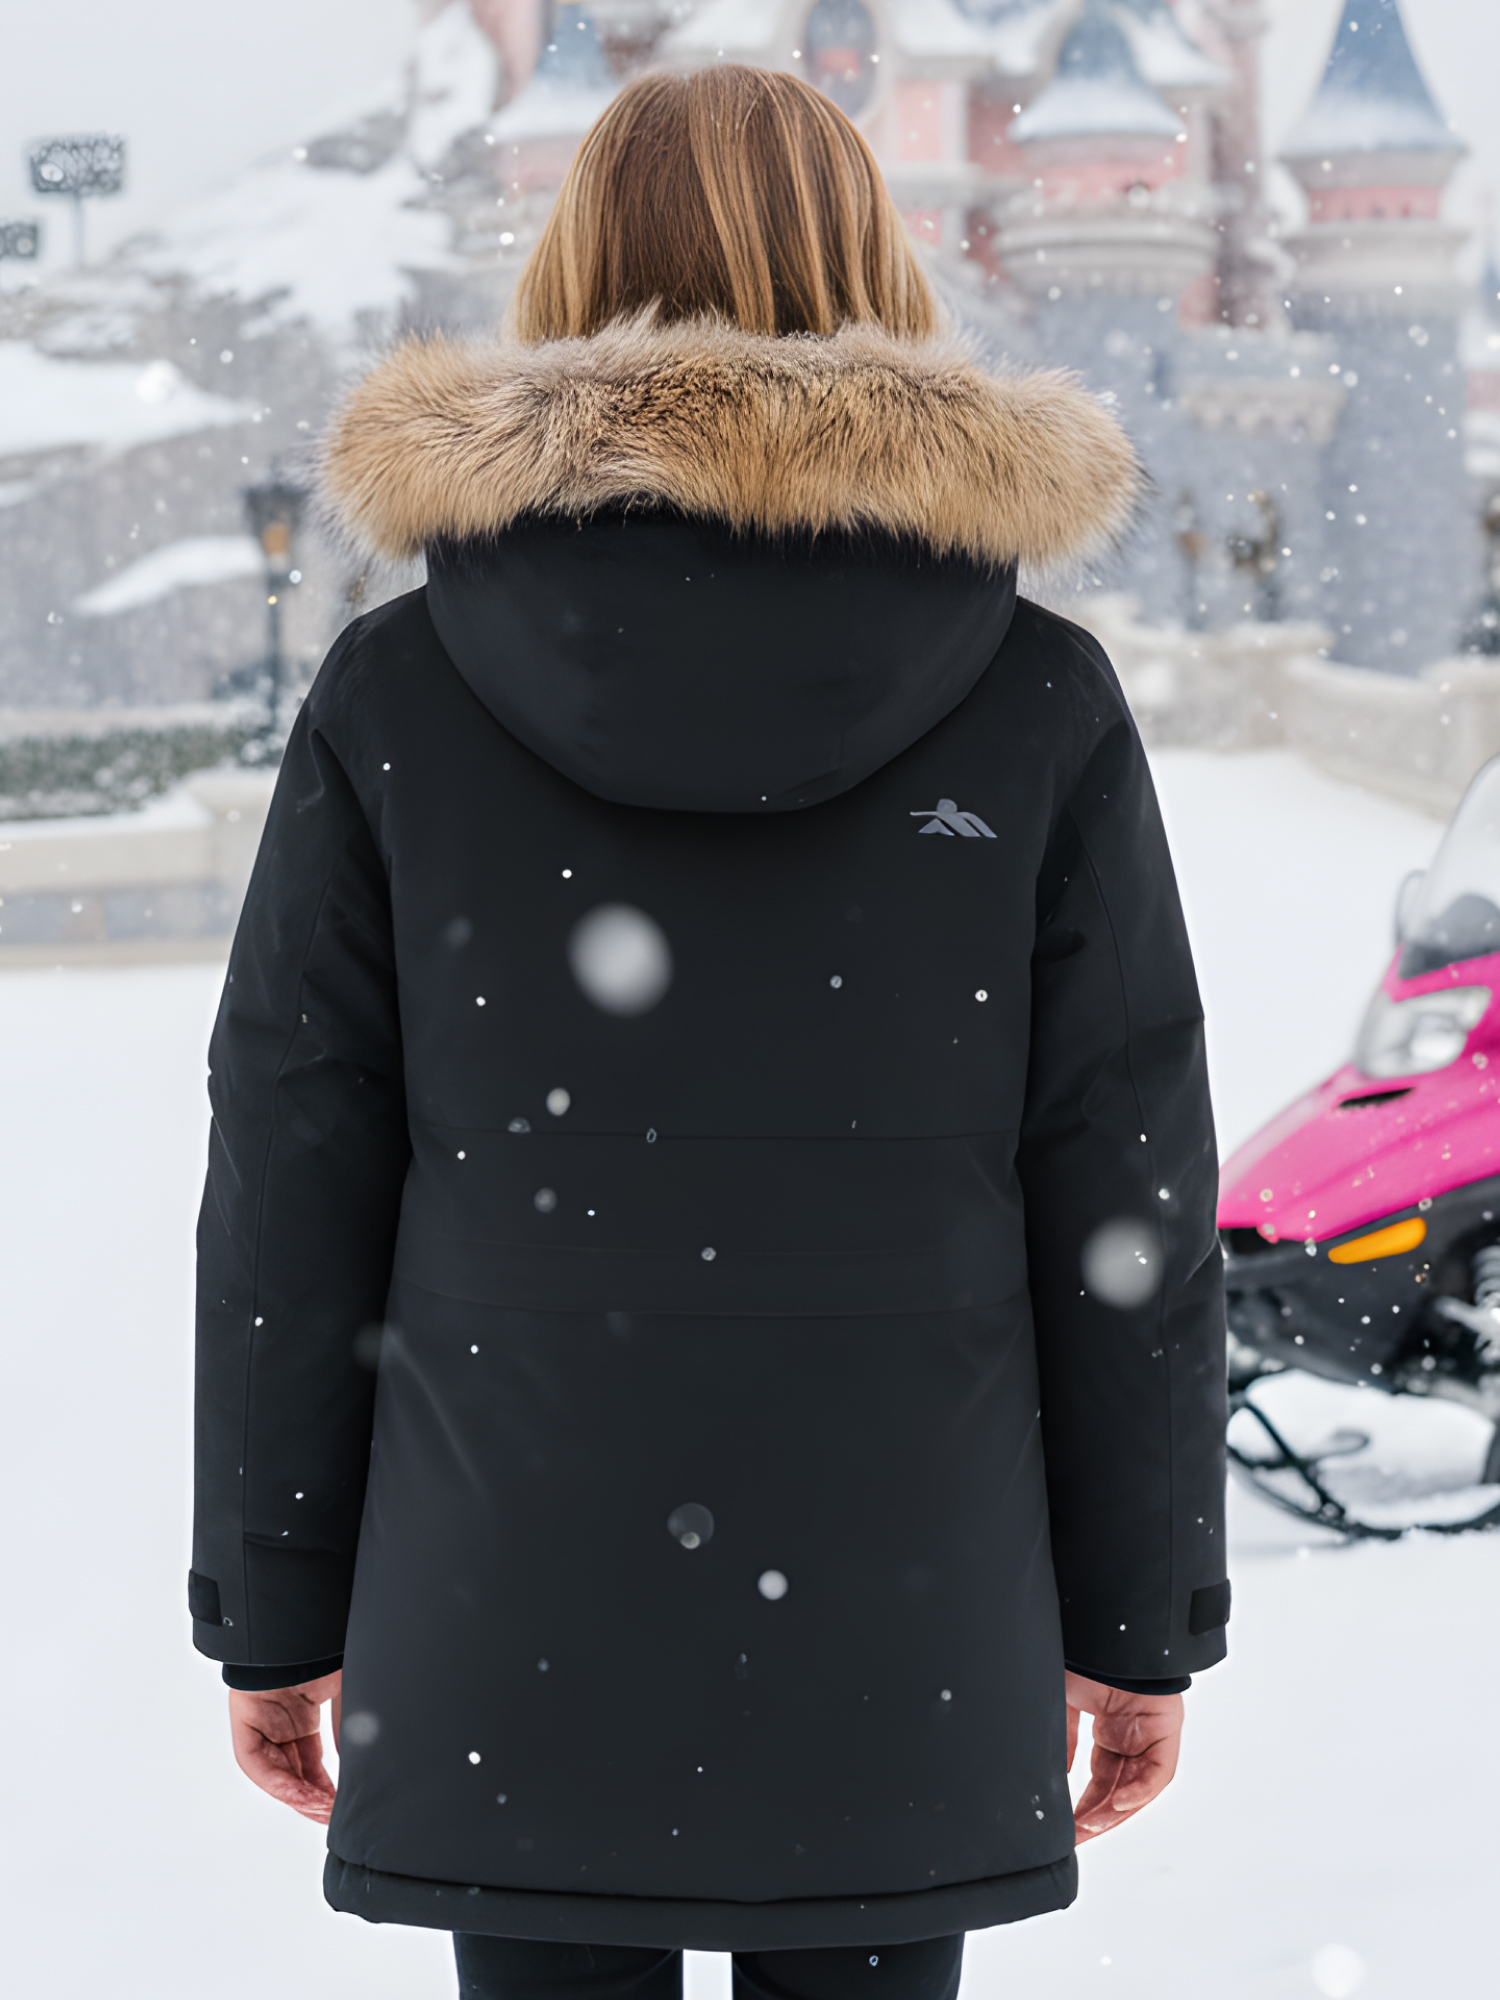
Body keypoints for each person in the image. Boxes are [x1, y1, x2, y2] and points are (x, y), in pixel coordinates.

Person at [191, 62, 1228, 2000]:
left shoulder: (401, 690)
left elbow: (293, 1164)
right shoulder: (1035, 696)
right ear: (875, 270)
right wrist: (1142, 1614)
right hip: (906, 1599)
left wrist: (272, 1591)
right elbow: (1127, 1186)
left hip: (508, 1588)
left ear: (575, 269)